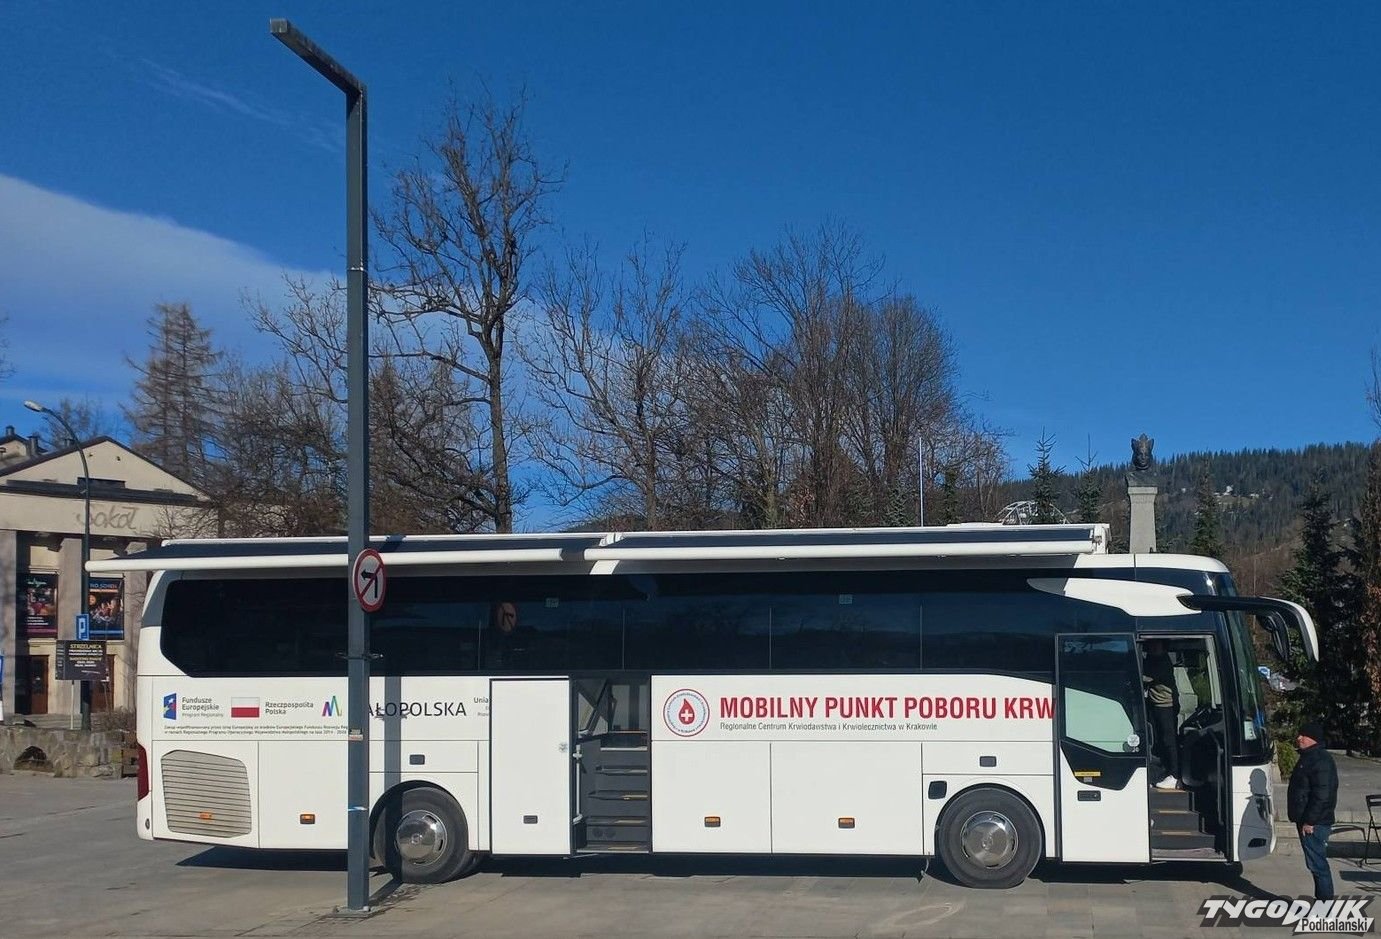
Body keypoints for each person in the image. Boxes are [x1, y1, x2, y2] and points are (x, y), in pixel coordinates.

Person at [1287, 720, 1339, 900]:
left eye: (1303, 735)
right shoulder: (1309, 757)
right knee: (1315, 865)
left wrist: (1310, 821)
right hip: (1307, 819)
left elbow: (1322, 795)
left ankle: (1324, 905)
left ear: (1313, 738)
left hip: (1315, 823)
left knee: (1318, 866)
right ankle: (1322, 902)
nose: (1299, 738)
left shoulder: (1320, 760)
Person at [1141, 638, 1181, 789]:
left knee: (1168, 741)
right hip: (1154, 704)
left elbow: (1146, 677)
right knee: (1156, 740)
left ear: (1163, 646)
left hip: (1166, 706)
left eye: (1156, 644)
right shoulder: (1151, 659)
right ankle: (1160, 773)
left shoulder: (1163, 661)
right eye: (1151, 644)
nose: (1153, 647)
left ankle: (1175, 775)